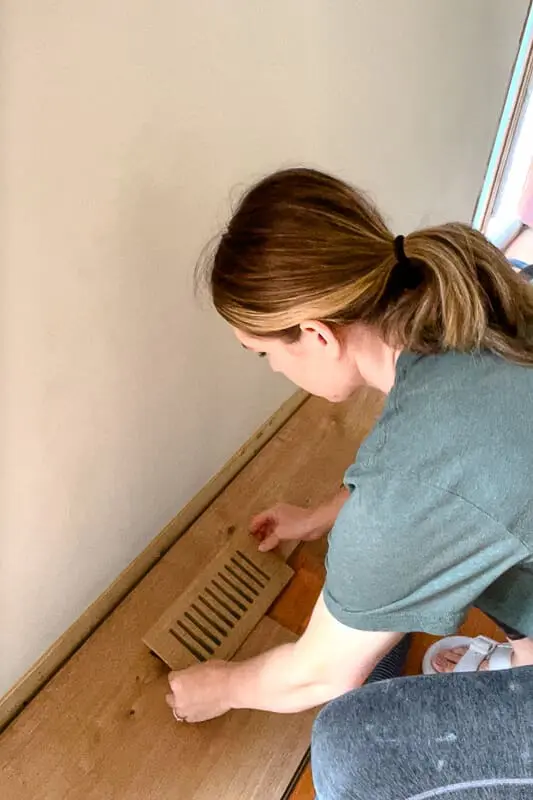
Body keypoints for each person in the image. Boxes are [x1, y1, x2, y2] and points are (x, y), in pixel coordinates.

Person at [165, 168, 533, 725]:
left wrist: (220, 687)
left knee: (344, 746)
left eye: (263, 353)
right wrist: (322, 516)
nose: (274, 369)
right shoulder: (481, 299)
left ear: (316, 335)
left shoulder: (406, 492)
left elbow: (321, 673)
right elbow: (450, 481)